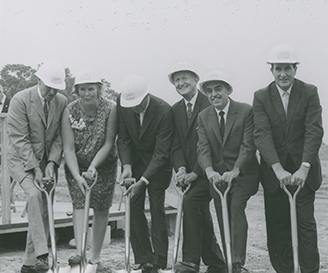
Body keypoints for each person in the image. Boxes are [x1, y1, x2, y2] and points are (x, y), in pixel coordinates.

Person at [253, 44, 323, 273]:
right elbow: (261, 134)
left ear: (295, 68)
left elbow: (314, 130)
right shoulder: (261, 96)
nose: (283, 74)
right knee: (278, 227)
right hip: (275, 174)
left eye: (287, 68)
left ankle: (309, 270)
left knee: (304, 225)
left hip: (304, 172)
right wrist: (276, 169)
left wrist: (304, 167)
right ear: (271, 70)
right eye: (278, 69)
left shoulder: (309, 91)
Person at [7, 62, 68, 273]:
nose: (52, 92)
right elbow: (20, 139)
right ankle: (43, 255)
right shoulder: (20, 100)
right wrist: (36, 169)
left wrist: (51, 163)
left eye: (56, 88)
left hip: (47, 162)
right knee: (33, 195)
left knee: (44, 208)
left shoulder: (61, 102)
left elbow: (60, 137)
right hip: (20, 159)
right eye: (48, 87)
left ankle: (29, 264)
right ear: (38, 80)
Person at [197, 71, 260, 273]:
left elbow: (248, 145)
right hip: (217, 178)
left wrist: (236, 170)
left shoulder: (245, 111)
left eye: (218, 89)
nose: (214, 94)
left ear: (228, 90)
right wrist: (208, 171)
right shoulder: (204, 116)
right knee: (222, 215)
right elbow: (203, 147)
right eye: (209, 91)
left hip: (242, 174)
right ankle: (229, 262)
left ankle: (238, 263)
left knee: (235, 208)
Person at [168, 62, 226, 273]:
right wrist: (181, 169)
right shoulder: (174, 110)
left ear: (196, 80)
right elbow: (175, 145)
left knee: (192, 203)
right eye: (177, 80)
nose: (181, 83)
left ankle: (191, 261)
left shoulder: (210, 103)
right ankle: (217, 263)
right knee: (197, 208)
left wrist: (195, 172)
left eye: (185, 78)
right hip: (190, 173)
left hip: (211, 171)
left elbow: (212, 144)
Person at [61, 68, 118, 272]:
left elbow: (108, 143)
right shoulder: (70, 110)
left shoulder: (110, 108)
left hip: (103, 164)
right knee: (79, 205)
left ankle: (95, 257)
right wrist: (77, 176)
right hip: (77, 164)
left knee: (101, 207)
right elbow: (68, 147)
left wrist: (94, 166)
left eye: (91, 89)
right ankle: (81, 254)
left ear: (98, 89)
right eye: (83, 89)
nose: (87, 93)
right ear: (77, 90)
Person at [116, 75, 174, 273]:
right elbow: (122, 137)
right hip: (135, 164)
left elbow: (161, 152)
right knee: (132, 207)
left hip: (158, 166)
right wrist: (126, 165)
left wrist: (144, 180)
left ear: (146, 95)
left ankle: (159, 260)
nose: (135, 108)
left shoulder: (164, 110)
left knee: (157, 209)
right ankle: (143, 259)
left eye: (139, 104)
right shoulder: (122, 103)